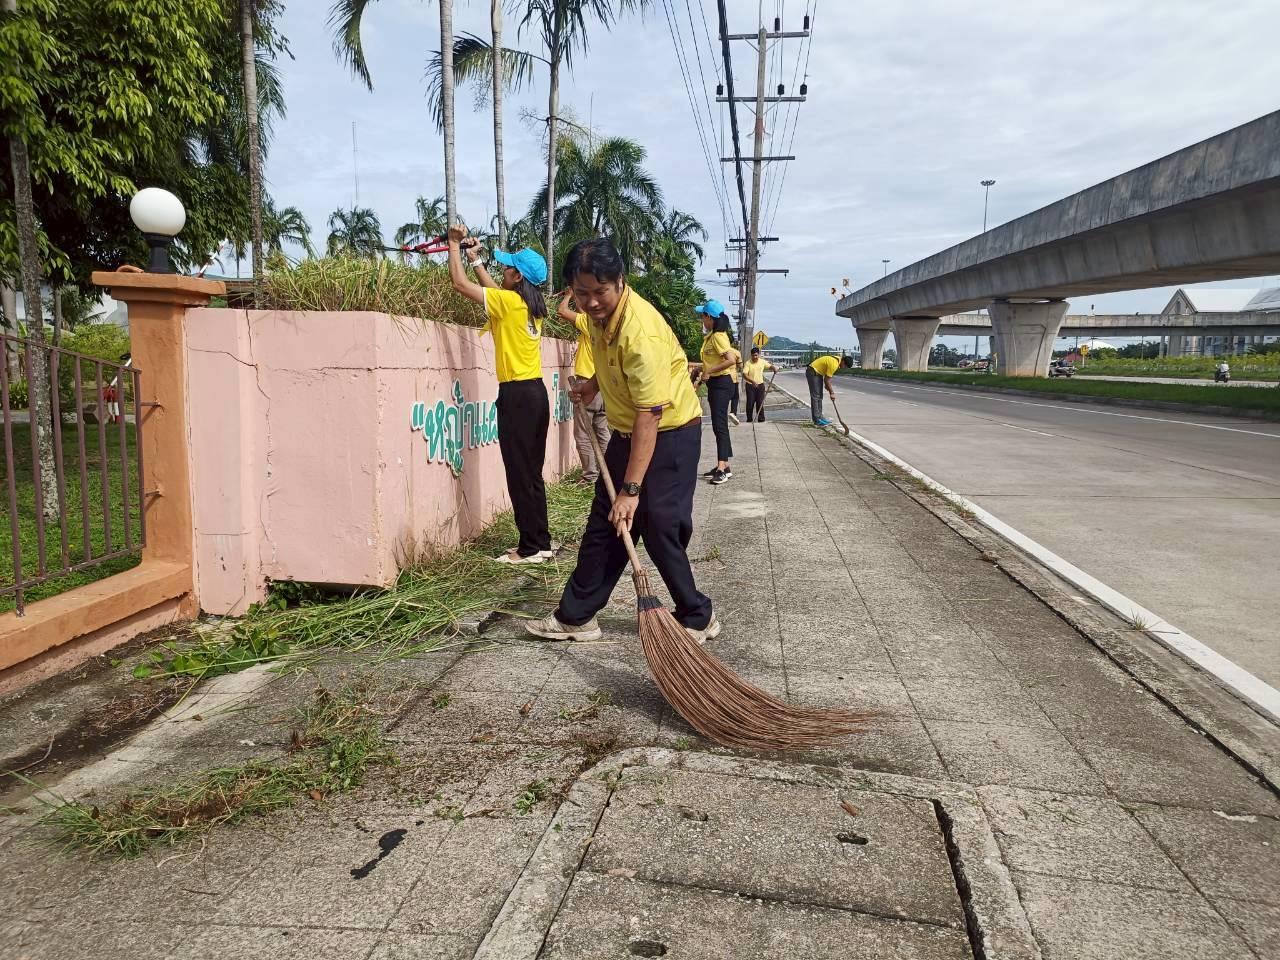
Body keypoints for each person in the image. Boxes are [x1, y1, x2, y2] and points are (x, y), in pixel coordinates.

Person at [526, 238, 719, 644]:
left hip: (670, 434)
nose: (592, 302)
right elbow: (610, 365)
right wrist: (594, 385)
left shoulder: (639, 331)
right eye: (582, 294)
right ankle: (576, 615)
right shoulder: (598, 319)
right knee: (604, 522)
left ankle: (697, 614)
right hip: (628, 431)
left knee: (659, 523)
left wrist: (631, 491)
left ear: (620, 282)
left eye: (600, 292)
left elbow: (652, 413)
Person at [447, 224, 553, 564]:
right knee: (531, 473)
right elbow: (494, 291)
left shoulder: (510, 304)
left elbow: (460, 285)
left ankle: (529, 549)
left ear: (517, 277)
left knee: (518, 472)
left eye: (507, 267)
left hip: (518, 396)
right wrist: (474, 258)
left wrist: (453, 246)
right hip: (535, 394)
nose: (503, 270)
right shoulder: (530, 308)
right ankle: (541, 543)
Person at [557, 291, 610, 485]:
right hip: (603, 386)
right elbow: (581, 312)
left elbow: (562, 311)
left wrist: (569, 296)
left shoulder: (589, 323)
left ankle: (590, 476)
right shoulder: (602, 324)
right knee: (602, 431)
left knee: (582, 434)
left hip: (587, 384)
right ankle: (610, 472)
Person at [689, 300, 737, 485]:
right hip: (716, 384)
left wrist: (709, 371)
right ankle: (724, 466)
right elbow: (713, 360)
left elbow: (730, 360)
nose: (701, 319)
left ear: (709, 317)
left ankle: (721, 467)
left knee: (720, 425)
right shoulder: (711, 337)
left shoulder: (718, 336)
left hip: (722, 384)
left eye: (703, 316)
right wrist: (701, 369)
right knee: (719, 424)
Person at [806, 353, 853, 425]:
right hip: (812, 372)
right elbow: (827, 380)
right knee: (816, 396)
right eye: (845, 366)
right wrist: (832, 393)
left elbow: (826, 379)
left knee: (820, 396)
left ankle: (820, 417)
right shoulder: (834, 364)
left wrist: (827, 385)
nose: (844, 368)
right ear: (843, 362)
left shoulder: (838, 359)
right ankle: (816, 420)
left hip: (818, 373)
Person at [742, 347, 777, 422]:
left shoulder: (762, 362)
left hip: (760, 386)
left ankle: (761, 419)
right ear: (751, 355)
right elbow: (744, 374)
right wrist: (752, 381)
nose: (755, 357)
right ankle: (749, 419)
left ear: (759, 355)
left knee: (760, 403)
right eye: (753, 355)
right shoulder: (748, 363)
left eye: (756, 355)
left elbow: (769, 366)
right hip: (750, 386)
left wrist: (774, 368)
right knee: (750, 403)